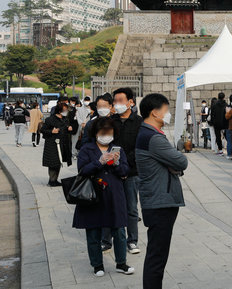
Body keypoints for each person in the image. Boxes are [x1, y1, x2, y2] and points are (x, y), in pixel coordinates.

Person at [136, 93, 188, 289]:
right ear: (154, 113)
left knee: (157, 254)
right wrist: (173, 164)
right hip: (160, 202)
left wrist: (172, 164)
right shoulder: (153, 138)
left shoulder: (147, 133)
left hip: (156, 199)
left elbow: (174, 163)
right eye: (166, 111)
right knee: (157, 257)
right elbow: (181, 161)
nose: (168, 115)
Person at [72, 116, 134, 277]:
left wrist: (117, 164)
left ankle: (121, 263)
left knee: (119, 230)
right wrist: (99, 162)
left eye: (109, 131)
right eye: (102, 132)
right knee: (93, 231)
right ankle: (97, 265)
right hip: (93, 194)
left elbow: (125, 172)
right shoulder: (87, 149)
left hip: (114, 193)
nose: (106, 135)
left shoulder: (117, 149)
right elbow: (82, 170)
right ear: (96, 132)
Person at [100, 88, 143, 255]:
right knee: (109, 205)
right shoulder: (110, 121)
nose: (117, 104)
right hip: (112, 171)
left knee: (131, 208)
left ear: (130, 102)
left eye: (120, 100)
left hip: (132, 172)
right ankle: (106, 240)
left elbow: (140, 148)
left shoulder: (139, 122)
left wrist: (125, 166)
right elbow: (105, 144)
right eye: (115, 101)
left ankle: (132, 241)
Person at [41, 102, 76, 186]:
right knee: (53, 162)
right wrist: (52, 131)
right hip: (52, 144)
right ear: (59, 111)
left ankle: (55, 179)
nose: (66, 111)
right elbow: (42, 130)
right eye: (65, 110)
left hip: (63, 144)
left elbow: (65, 129)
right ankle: (52, 180)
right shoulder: (50, 119)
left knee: (59, 162)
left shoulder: (65, 119)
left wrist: (69, 129)